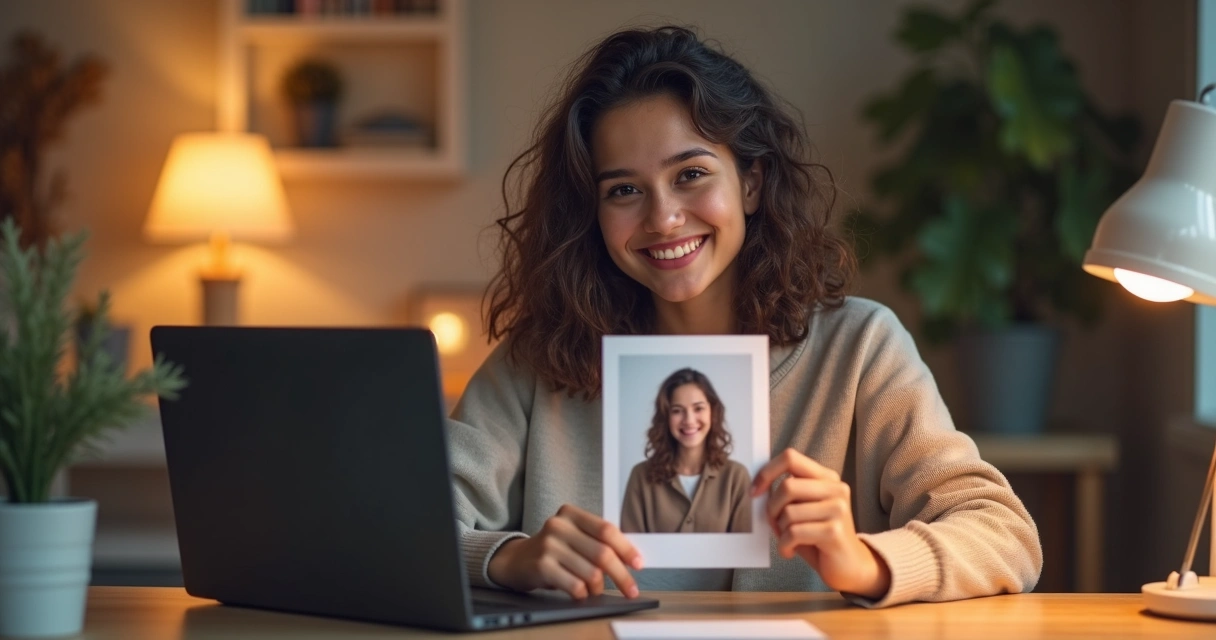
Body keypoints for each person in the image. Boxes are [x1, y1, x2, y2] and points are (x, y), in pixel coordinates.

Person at [446, 25, 1042, 607]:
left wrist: (865, 562)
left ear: (751, 182)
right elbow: (409, 524)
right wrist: (503, 558)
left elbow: (1004, 534)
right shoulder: (539, 362)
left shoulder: (859, 349)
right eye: (623, 190)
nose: (663, 218)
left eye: (691, 175)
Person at [619, 367, 751, 534]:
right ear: (666, 417)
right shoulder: (640, 476)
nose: (689, 420)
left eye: (698, 408)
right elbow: (629, 546)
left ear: (712, 412)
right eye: (677, 411)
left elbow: (746, 548)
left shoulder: (736, 476)